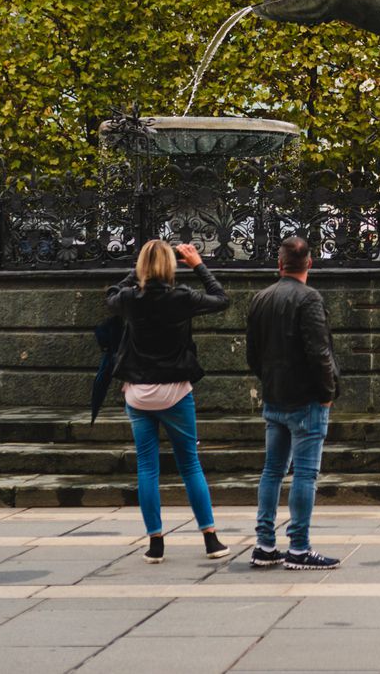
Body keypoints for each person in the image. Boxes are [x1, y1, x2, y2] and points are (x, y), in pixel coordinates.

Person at [107, 239, 230, 563]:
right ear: (171, 265)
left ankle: (156, 542)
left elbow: (110, 296)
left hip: (139, 394)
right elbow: (221, 299)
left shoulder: (131, 298)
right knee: (189, 464)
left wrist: (137, 273)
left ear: (142, 267)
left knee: (147, 467)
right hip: (175, 391)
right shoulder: (182, 298)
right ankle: (210, 539)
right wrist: (198, 264)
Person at [244, 235, 341, 571]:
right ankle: (299, 547)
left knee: (272, 471)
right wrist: (327, 393)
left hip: (275, 398)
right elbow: (319, 352)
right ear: (309, 264)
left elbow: (252, 355)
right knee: (305, 474)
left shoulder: (261, 298)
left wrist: (269, 381)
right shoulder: (309, 299)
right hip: (306, 400)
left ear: (279, 265)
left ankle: (264, 544)